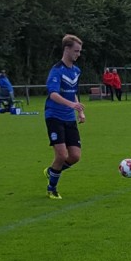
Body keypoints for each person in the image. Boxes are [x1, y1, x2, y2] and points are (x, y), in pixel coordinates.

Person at [44, 34, 86, 200]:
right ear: (66, 49)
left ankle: (52, 171)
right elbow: (53, 94)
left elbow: (72, 92)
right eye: (76, 51)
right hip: (54, 115)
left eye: (80, 51)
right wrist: (71, 105)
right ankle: (51, 188)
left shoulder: (76, 71)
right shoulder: (56, 70)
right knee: (61, 155)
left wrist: (80, 111)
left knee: (75, 156)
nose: (78, 54)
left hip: (69, 117)